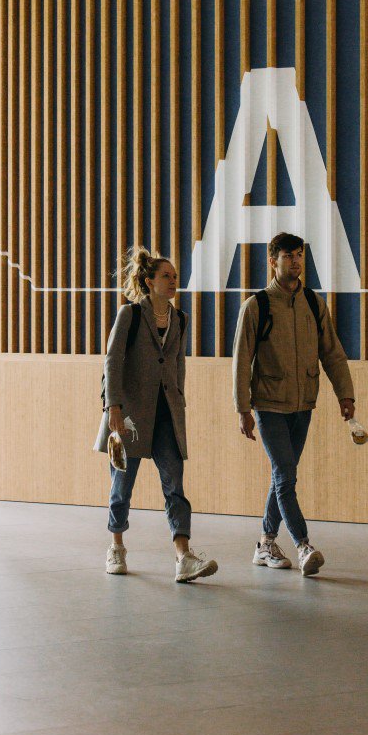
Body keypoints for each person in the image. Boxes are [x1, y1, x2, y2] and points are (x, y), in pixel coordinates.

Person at [233, 232, 355, 577]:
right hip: (269, 405)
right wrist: (243, 409)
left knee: (282, 477)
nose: (296, 261)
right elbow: (241, 361)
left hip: (303, 404)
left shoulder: (314, 304)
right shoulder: (257, 306)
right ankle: (304, 545)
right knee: (286, 476)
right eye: (289, 256)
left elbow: (332, 353)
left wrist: (345, 395)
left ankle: (265, 543)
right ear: (273, 261)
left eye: (300, 255)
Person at [94, 247, 218, 583]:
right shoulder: (130, 315)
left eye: (175, 276)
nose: (173, 281)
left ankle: (183, 556)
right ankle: (116, 546)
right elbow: (112, 361)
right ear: (149, 281)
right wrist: (113, 407)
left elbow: (178, 363)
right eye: (166, 276)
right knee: (122, 485)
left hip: (167, 416)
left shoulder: (180, 319)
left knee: (175, 484)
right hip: (130, 414)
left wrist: (180, 401)